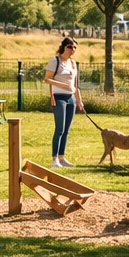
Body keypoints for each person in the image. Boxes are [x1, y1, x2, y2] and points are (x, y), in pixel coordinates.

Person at [45, 36, 83, 168]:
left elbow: (75, 85)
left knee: (66, 130)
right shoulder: (55, 61)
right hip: (58, 97)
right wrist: (62, 85)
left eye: (75, 47)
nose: (72, 49)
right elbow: (47, 79)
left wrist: (79, 100)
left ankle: (62, 157)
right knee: (59, 129)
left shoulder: (73, 63)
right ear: (64, 47)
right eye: (70, 47)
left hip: (70, 98)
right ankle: (54, 159)